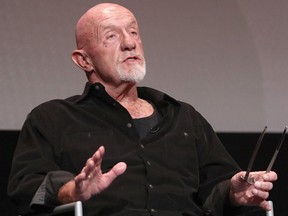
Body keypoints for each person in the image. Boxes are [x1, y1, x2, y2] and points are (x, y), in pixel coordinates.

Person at [8, 3, 277, 216]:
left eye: (133, 32)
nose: (129, 42)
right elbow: (26, 188)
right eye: (112, 36)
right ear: (84, 60)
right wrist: (71, 190)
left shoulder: (183, 117)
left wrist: (234, 192)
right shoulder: (53, 119)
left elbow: (216, 188)